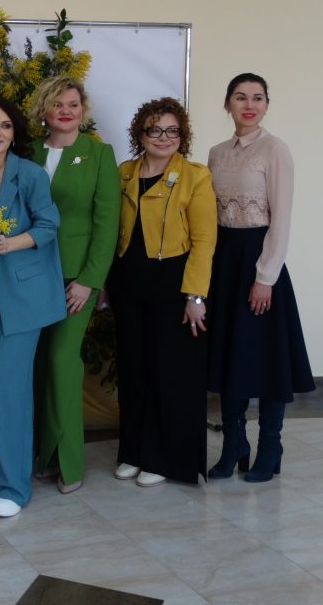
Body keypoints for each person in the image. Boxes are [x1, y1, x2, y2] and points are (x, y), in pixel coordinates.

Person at [206, 73, 314, 482]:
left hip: (259, 261)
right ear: (227, 104)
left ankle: (271, 446)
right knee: (230, 355)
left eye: (257, 97)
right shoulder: (216, 153)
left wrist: (265, 276)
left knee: (267, 358)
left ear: (267, 104)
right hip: (224, 263)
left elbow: (281, 218)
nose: (249, 105)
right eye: (240, 97)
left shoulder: (275, 149)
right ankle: (234, 443)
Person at [0, 97, 66, 517]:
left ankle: (11, 486)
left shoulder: (30, 173)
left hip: (23, 296)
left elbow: (49, 224)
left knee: (7, 388)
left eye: (5, 125)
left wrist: (12, 242)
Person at [108, 98, 216, 486]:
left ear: (182, 135)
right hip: (128, 283)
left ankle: (162, 458)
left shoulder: (195, 177)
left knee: (168, 372)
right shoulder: (124, 173)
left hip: (173, 284)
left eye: (172, 130)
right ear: (140, 134)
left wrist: (196, 296)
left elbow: (205, 240)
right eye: (155, 129)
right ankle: (133, 451)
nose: (163, 137)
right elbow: (110, 231)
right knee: (133, 369)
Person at [27, 77, 120, 495]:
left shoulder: (99, 154)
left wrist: (90, 281)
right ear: (43, 111)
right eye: (57, 104)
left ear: (83, 110)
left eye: (73, 104)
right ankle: (45, 455)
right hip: (31, 275)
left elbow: (107, 224)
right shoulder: (27, 153)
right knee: (39, 365)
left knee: (62, 362)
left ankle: (70, 463)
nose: (66, 111)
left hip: (75, 278)